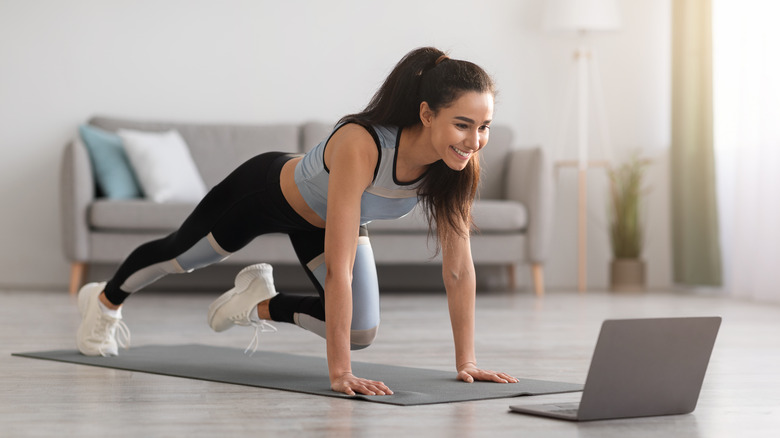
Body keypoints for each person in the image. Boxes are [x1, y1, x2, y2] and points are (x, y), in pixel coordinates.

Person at [75, 46, 519, 396]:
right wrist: (341, 372)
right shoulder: (362, 143)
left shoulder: (456, 167)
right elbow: (341, 267)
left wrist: (467, 362)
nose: (475, 140)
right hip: (264, 194)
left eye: (485, 127)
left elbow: (459, 268)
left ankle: (255, 302)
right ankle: (104, 303)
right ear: (427, 114)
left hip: (328, 222)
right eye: (464, 125)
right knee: (180, 257)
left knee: (361, 330)